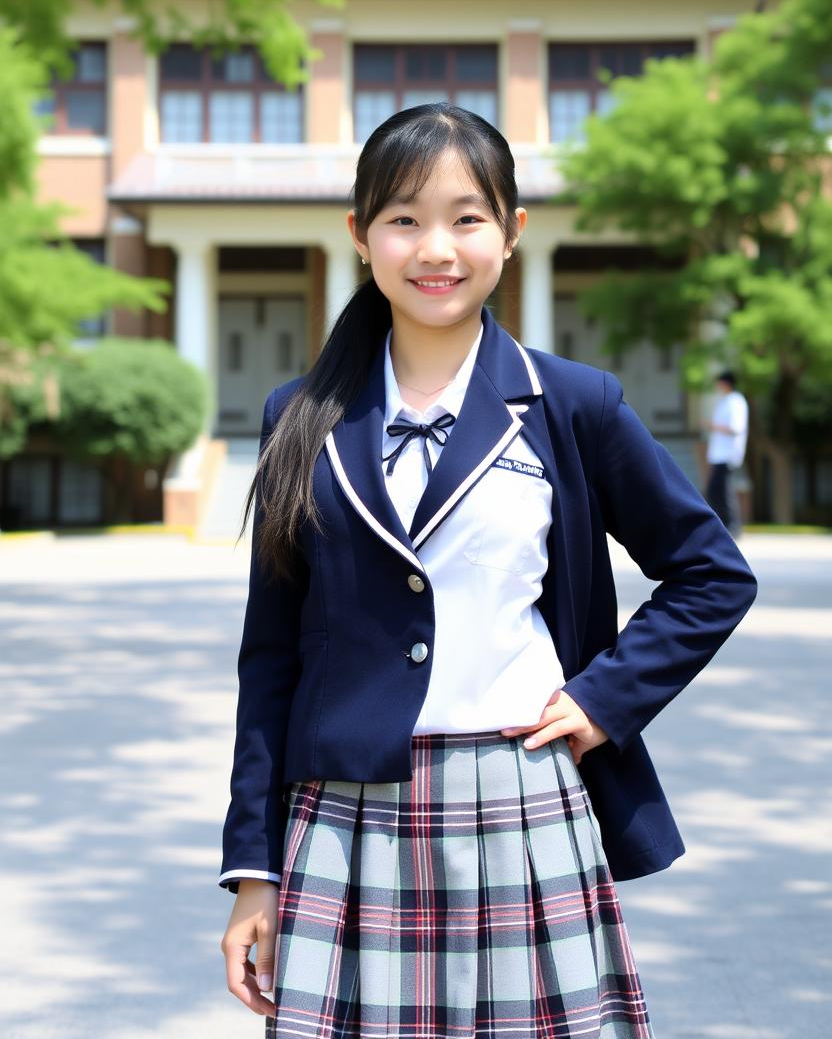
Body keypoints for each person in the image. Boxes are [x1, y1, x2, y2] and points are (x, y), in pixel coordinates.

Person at [218, 103, 758, 1038]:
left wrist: (603, 700)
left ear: (511, 233)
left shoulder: (572, 405)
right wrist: (253, 868)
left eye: (467, 218)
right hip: (347, 820)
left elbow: (711, 572)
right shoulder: (300, 417)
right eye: (403, 219)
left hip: (520, 799)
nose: (436, 247)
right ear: (360, 236)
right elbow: (271, 658)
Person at [704, 369, 749, 539]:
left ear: (725, 383)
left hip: (728, 454)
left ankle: (733, 526)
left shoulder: (736, 402)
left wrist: (713, 426)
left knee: (724, 491)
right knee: (715, 491)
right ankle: (722, 525)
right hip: (719, 455)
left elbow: (736, 427)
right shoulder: (725, 401)